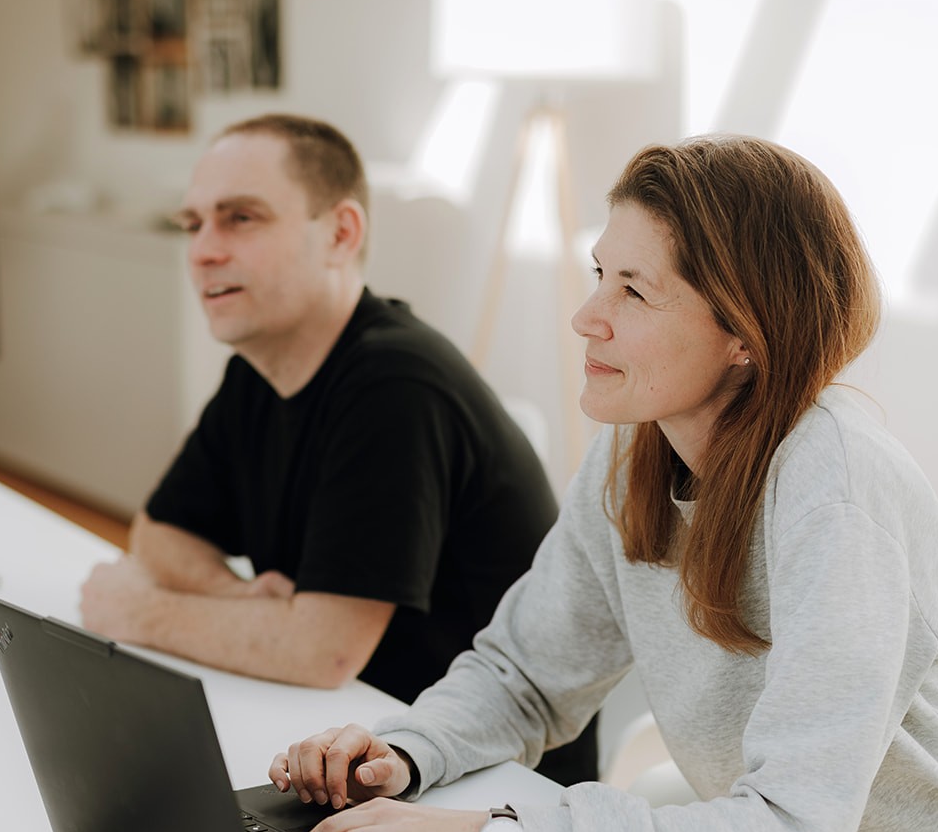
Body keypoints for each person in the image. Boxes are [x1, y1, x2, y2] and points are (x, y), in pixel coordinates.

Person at [268, 134, 938, 832]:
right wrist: (404, 754)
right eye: (600, 273)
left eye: (633, 291)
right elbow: (526, 676)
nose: (587, 316)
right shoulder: (632, 454)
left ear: (745, 334)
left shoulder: (838, 486)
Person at [79, 113, 599, 784]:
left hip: (482, 782)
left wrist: (137, 611)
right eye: (193, 223)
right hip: (351, 739)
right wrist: (240, 602)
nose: (204, 249)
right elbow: (158, 532)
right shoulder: (261, 367)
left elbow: (323, 651)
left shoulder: (396, 385)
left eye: (241, 218)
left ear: (341, 233)